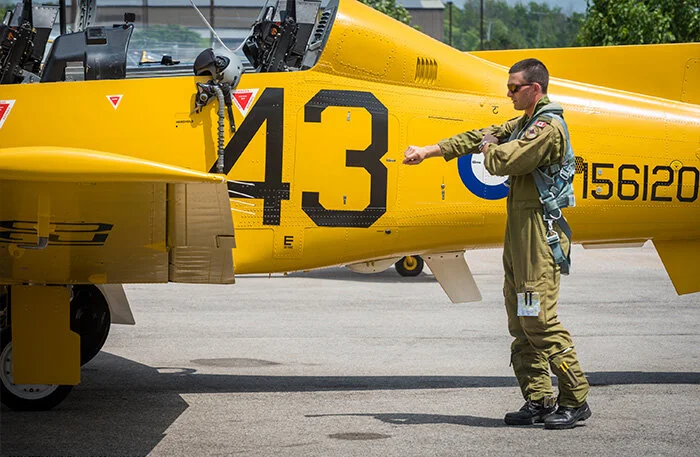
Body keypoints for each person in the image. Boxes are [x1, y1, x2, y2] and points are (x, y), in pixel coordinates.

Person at [403, 58, 591, 430]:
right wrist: (429, 150)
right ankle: (538, 398)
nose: (508, 94)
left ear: (535, 89)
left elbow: (505, 160)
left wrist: (492, 147)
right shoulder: (522, 123)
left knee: (539, 318)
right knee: (520, 318)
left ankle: (575, 398)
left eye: (514, 88)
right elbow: (480, 137)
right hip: (519, 233)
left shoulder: (547, 127)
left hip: (539, 233)